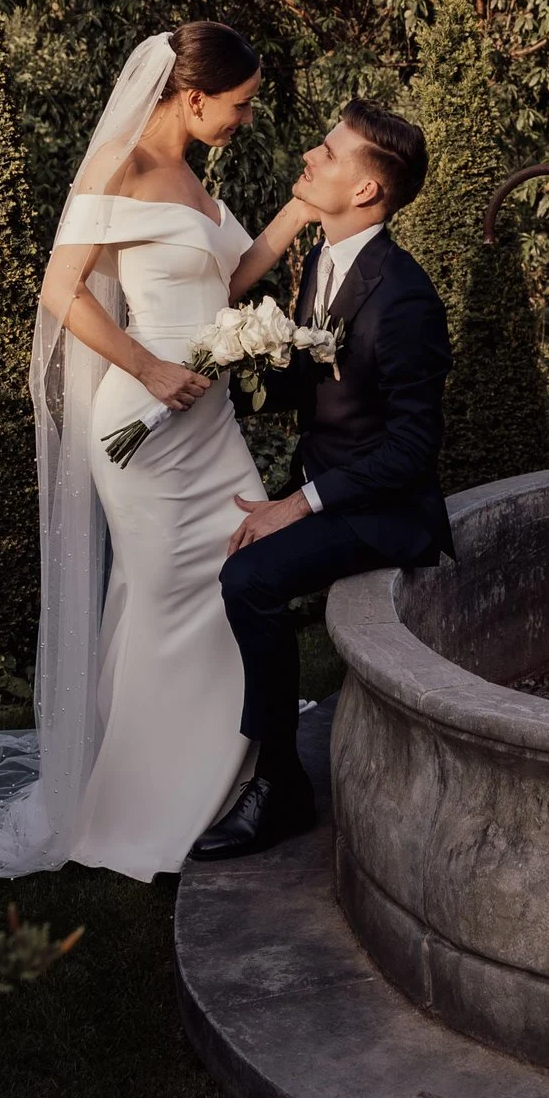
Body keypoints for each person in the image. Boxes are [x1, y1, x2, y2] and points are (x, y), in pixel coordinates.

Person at [0, 23, 321, 880]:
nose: (246, 118)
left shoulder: (192, 177)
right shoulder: (118, 169)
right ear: (192, 95)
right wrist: (148, 365)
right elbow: (61, 291)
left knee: (241, 578)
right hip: (143, 421)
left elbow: (231, 281)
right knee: (177, 600)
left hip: (208, 428)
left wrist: (300, 209)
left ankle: (230, 772)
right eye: (240, 104)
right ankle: (145, 809)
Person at [190, 99, 453, 861]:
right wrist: (238, 358)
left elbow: (412, 449)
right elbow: (315, 387)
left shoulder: (405, 296)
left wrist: (297, 504)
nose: (311, 155)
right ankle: (209, 751)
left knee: (250, 577)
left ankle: (279, 783)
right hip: (329, 484)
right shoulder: (322, 264)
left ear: (368, 190)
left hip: (388, 511)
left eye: (330, 153)